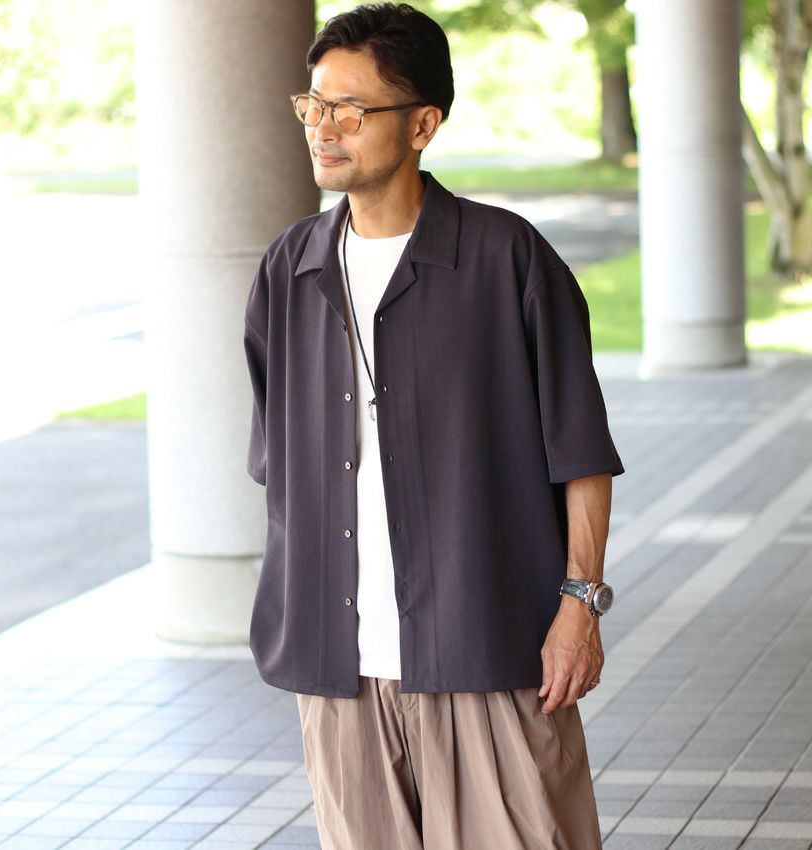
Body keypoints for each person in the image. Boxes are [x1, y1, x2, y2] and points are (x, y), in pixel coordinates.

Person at [242, 3, 624, 848]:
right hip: (340, 669)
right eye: (313, 105)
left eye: (351, 109)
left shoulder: (507, 259)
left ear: (422, 124)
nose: (324, 129)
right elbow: (280, 464)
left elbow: (581, 454)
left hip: (489, 651)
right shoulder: (289, 269)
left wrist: (579, 606)